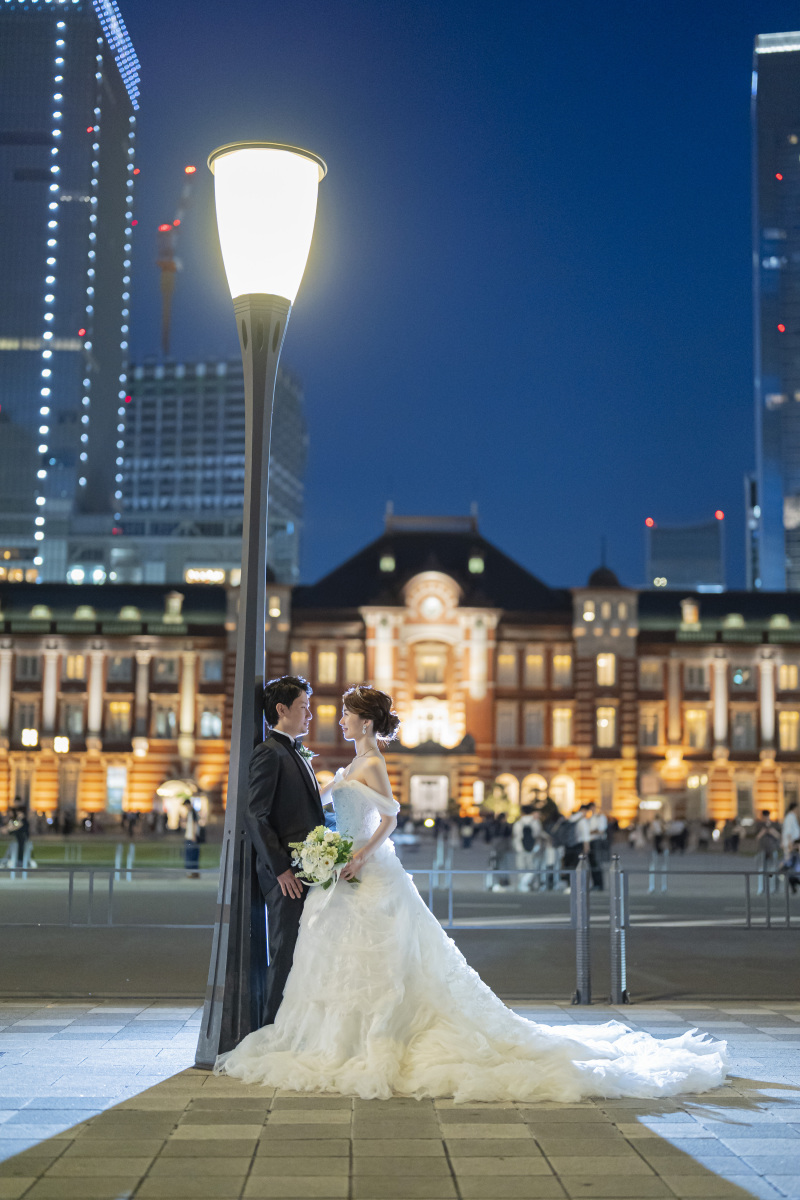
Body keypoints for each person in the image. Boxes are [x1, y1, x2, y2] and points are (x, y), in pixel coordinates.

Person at [217, 685, 727, 1102]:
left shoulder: (371, 763)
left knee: (384, 961)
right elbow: (314, 805)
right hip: (343, 872)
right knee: (339, 957)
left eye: (348, 715)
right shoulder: (348, 762)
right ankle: (334, 1036)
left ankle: (369, 1037)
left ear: (366, 723)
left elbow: (391, 816)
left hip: (366, 871)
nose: (339, 720)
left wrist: (360, 855)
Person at [246, 674, 324, 1027]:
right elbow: (256, 815)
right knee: (284, 952)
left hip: (305, 870)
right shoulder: (269, 753)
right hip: (286, 875)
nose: (310, 714)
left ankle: (291, 1027)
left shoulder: (293, 751)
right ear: (282, 709)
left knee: (301, 952)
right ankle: (270, 1030)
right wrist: (281, 869)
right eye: (304, 707)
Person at [512, 804, 542, 891]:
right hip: (533, 848)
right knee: (532, 867)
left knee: (521, 867)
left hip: (520, 848)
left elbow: (515, 836)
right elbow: (537, 835)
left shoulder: (518, 823)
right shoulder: (536, 822)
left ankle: (522, 884)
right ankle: (531, 884)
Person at [183, 799, 201, 879]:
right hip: (190, 837)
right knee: (192, 855)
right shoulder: (191, 813)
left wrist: (193, 835)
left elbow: (194, 824)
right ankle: (193, 872)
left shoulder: (192, 812)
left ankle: (192, 872)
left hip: (191, 838)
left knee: (191, 856)